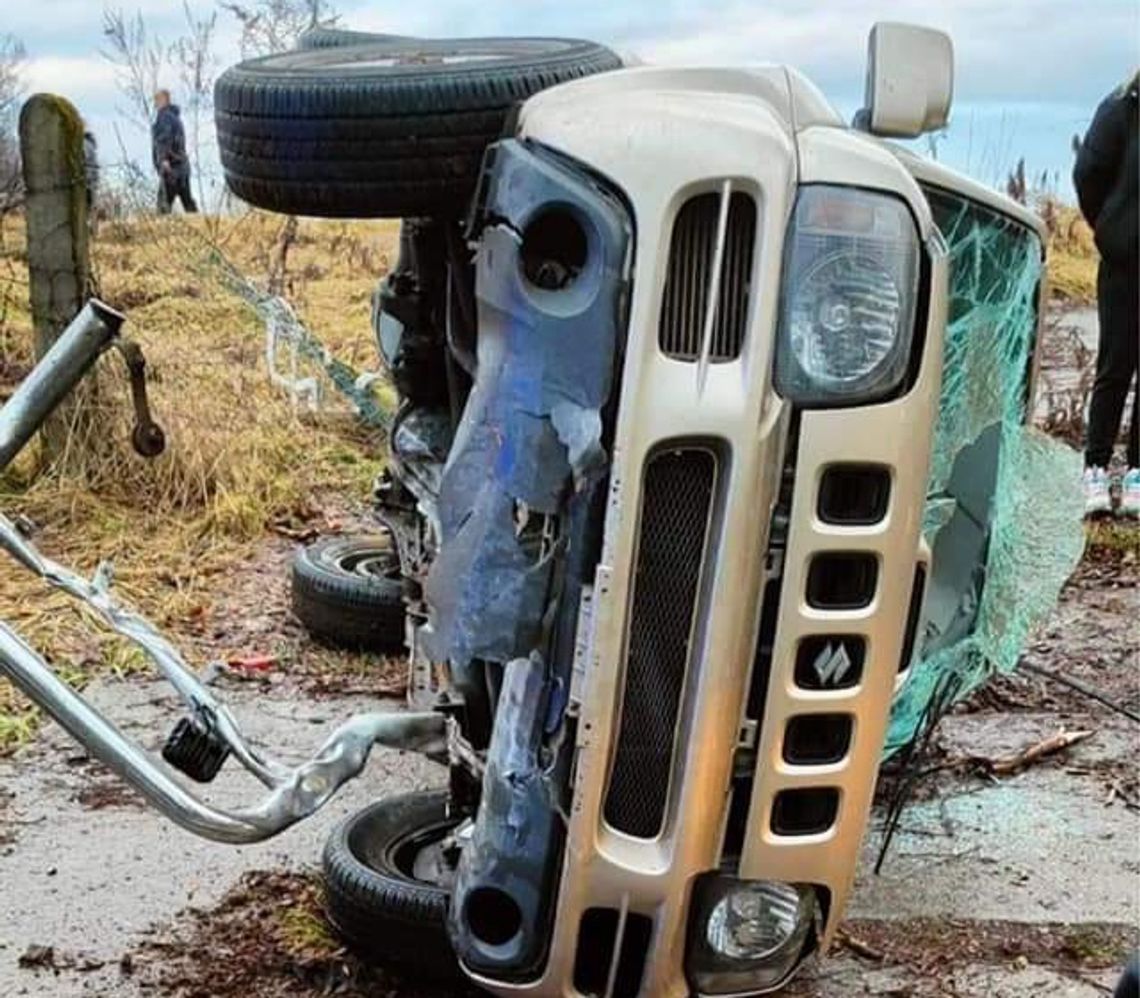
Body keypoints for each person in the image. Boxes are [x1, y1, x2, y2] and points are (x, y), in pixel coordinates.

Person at [1073, 72, 1138, 517]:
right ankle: (1095, 469)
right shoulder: (1122, 108)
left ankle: (1137, 475)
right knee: (1114, 366)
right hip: (1125, 262)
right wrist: (1113, 230)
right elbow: (1089, 175)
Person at [151, 89, 198, 215]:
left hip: (171, 168)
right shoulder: (176, 118)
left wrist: (163, 160)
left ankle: (159, 233)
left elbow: (163, 139)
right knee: (188, 203)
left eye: (157, 100)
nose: (155, 104)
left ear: (164, 100)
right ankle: (204, 228)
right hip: (183, 166)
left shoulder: (164, 117)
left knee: (163, 207)